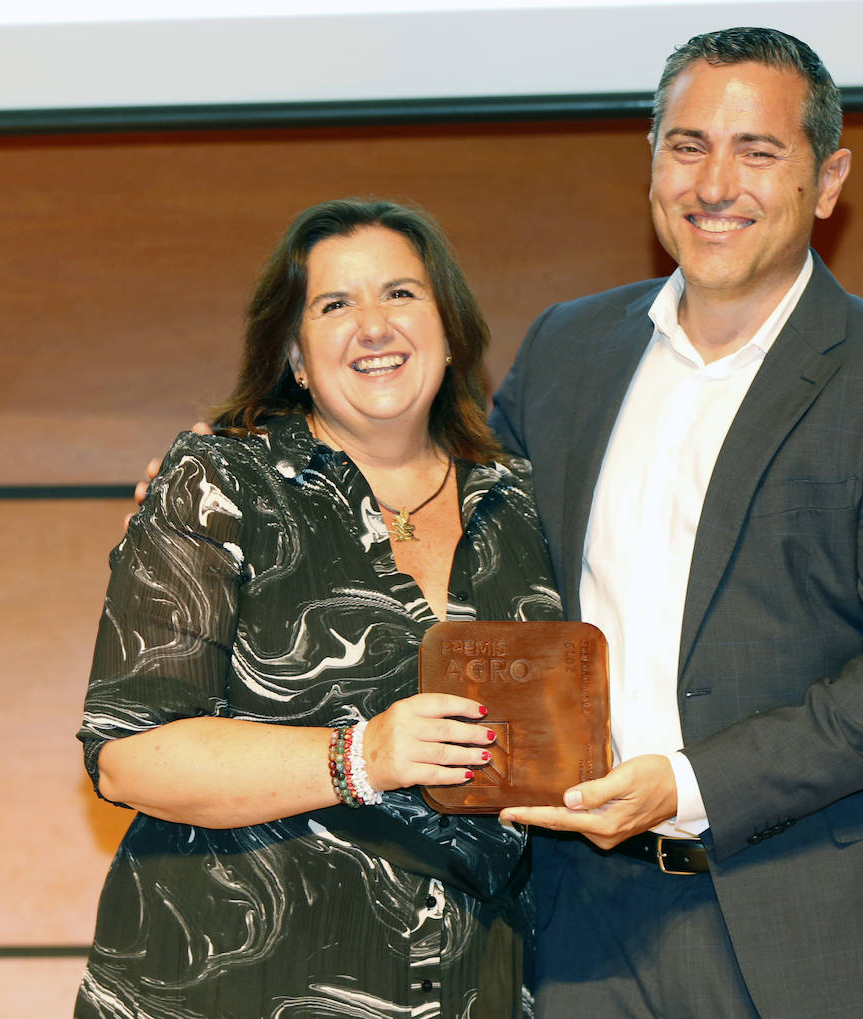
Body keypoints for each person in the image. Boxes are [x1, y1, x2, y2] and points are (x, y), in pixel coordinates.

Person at [491, 27, 863, 1019]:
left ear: (827, 178)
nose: (714, 183)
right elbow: (447, 512)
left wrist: (688, 782)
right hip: (573, 924)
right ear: (652, 164)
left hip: (807, 931)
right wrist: (251, 467)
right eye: (686, 145)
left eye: (757, 151)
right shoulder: (566, 348)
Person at [77, 198, 561, 1018]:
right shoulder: (223, 480)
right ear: (296, 354)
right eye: (335, 305)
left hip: (465, 984)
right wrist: (362, 755)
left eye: (401, 294)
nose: (373, 326)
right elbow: (129, 753)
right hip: (231, 980)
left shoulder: (526, 502)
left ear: (450, 333)